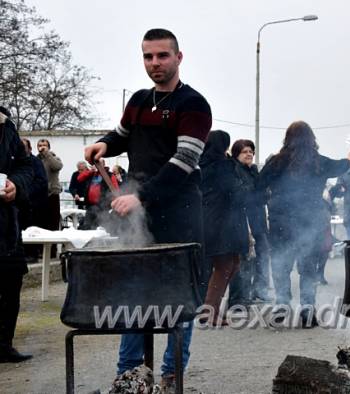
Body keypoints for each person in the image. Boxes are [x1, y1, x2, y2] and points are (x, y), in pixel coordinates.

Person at [83, 28, 211, 390]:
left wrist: (142, 196)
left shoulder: (194, 105)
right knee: (135, 295)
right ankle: (129, 376)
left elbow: (184, 160)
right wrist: (103, 144)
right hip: (140, 221)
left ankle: (171, 377)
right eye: (148, 56)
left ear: (178, 57)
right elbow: (121, 134)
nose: (154, 63)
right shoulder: (139, 100)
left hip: (181, 218)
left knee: (179, 303)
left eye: (162, 56)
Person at [258, 121, 350, 327]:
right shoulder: (318, 161)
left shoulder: (276, 162)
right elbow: (341, 166)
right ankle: (307, 309)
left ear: (287, 139)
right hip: (310, 220)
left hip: (281, 220)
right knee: (308, 266)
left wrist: (271, 197)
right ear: (311, 139)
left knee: (281, 264)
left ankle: (282, 305)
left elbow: (258, 185)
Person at [200, 131, 250, 324]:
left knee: (232, 264)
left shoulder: (203, 164)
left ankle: (211, 309)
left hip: (212, 220)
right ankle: (209, 311)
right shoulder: (223, 165)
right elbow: (234, 191)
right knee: (224, 266)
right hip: (222, 221)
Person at [0, 107, 34, 363]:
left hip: (6, 226)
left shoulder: (6, 126)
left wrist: (16, 185)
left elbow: (25, 167)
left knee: (11, 284)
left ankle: (4, 345)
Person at [228, 139, 272, 306]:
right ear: (236, 154)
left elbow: (264, 194)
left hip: (258, 221)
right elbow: (243, 196)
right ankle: (240, 297)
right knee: (244, 260)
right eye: (245, 151)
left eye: (251, 151)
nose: (249, 154)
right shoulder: (234, 171)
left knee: (263, 255)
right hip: (242, 222)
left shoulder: (254, 171)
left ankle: (259, 290)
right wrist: (258, 194)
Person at [18, 138, 48, 261]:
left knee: (31, 228)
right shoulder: (17, 161)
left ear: (29, 149)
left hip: (33, 202)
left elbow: (41, 181)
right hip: (19, 201)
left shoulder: (35, 162)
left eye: (23, 147)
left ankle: (32, 254)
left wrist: (26, 191)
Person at [76, 159, 119, 229]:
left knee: (103, 228)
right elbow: (79, 178)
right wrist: (91, 171)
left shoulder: (109, 175)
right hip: (90, 206)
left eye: (99, 164)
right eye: (96, 164)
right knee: (87, 226)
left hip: (103, 206)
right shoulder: (91, 174)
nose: (98, 166)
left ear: (104, 165)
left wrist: (114, 202)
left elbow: (115, 190)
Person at [36, 138, 63, 232]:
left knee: (53, 222)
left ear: (49, 147)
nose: (42, 147)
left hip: (52, 194)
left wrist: (47, 154)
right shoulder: (35, 160)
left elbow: (57, 166)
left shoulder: (54, 158)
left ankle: (53, 246)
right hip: (39, 194)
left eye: (44, 145)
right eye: (40, 145)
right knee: (41, 222)